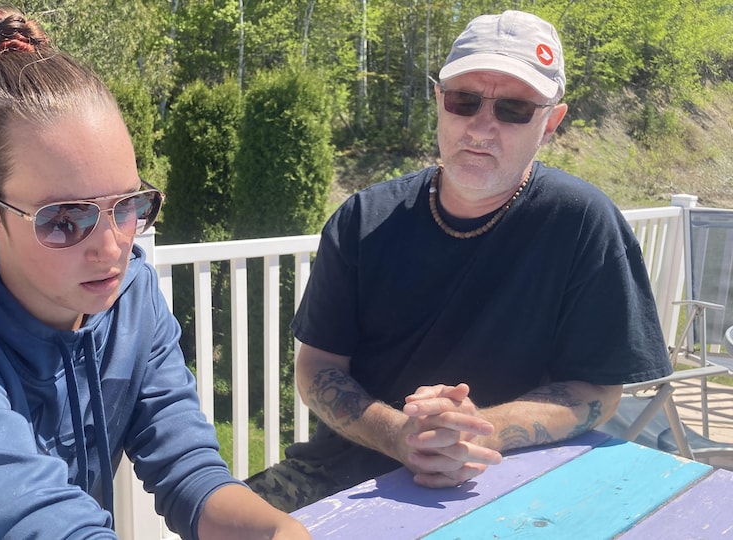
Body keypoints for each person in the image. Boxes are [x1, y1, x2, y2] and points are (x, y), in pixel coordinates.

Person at [0, 7, 310, 539]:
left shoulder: (131, 299)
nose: (112, 247)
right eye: (66, 219)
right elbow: (43, 525)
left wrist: (278, 532)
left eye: (128, 205)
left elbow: (189, 470)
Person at [246, 10, 672, 512]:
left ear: (551, 123)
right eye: (464, 100)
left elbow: (600, 389)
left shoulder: (581, 222)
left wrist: (482, 430)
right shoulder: (364, 219)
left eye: (514, 108)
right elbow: (316, 367)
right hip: (345, 469)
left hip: (516, 478)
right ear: (438, 101)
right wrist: (401, 435)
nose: (481, 127)